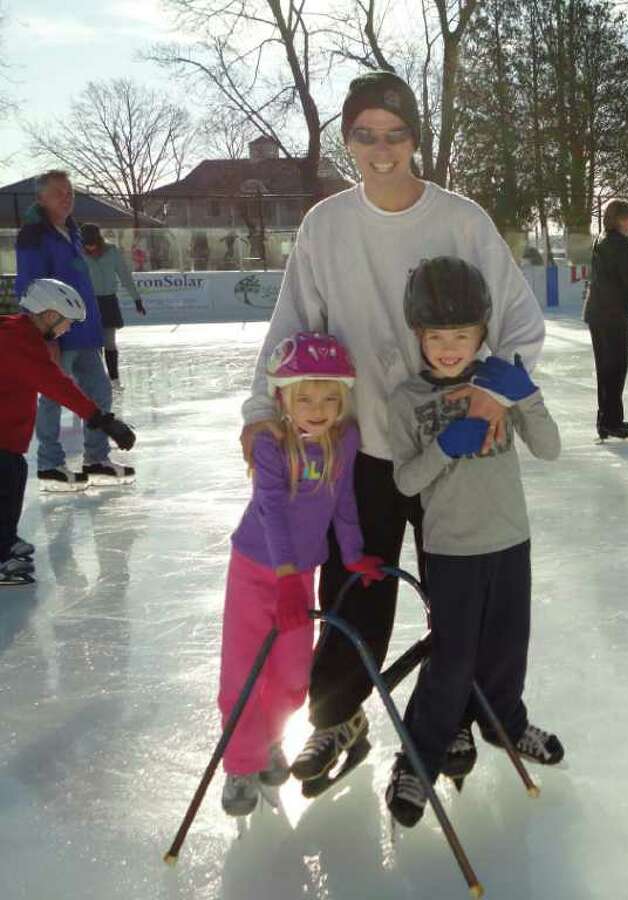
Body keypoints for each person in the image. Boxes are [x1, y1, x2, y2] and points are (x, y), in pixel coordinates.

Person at [238, 71, 545, 793]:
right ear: (348, 141)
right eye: (365, 135)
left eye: (395, 133)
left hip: (454, 456)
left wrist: (493, 398)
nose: (381, 149)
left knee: (460, 599)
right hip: (369, 448)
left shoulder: (462, 220)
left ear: (415, 139)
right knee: (355, 592)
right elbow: (289, 330)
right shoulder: (325, 226)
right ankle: (338, 716)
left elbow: (522, 326)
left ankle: (461, 716)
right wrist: (259, 413)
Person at [385, 257, 563, 827]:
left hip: (511, 539)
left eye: (461, 336)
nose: (448, 348)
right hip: (452, 550)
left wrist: (525, 394)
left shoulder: (496, 384)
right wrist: (445, 447)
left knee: (510, 646)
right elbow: (405, 481)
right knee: (453, 660)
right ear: (419, 336)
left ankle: (504, 723)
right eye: (436, 337)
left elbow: (551, 449)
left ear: (481, 334)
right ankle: (418, 759)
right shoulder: (408, 400)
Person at [220, 332, 384, 816]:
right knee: (245, 670)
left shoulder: (344, 438)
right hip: (256, 568)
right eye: (305, 397)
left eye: (331, 398)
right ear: (282, 398)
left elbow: (344, 503)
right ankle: (240, 763)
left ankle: (271, 740)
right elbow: (270, 507)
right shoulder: (273, 442)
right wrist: (287, 575)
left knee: (293, 675)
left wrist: (353, 554)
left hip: (302, 573)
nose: (318, 408)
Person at [0, 279, 136, 586]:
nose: (68, 330)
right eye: (67, 323)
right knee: (5, 485)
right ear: (49, 315)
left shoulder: (20, 333)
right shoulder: (18, 342)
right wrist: (102, 420)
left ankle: (5, 540)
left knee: (13, 480)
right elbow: (57, 385)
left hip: (8, 439)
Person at [15, 171, 135, 490]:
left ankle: (96, 458)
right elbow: (29, 285)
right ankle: (50, 465)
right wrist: (45, 337)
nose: (66, 197)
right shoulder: (34, 236)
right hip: (58, 334)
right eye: (58, 193)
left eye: (69, 192)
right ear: (41, 199)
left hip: (85, 332)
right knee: (53, 397)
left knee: (99, 392)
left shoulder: (73, 231)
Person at [582, 199, 628, 441]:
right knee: (616, 369)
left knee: (605, 369)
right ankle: (612, 422)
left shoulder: (600, 241)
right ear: (619, 219)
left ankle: (606, 420)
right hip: (612, 316)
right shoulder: (623, 246)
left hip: (596, 313)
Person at [80, 224, 146, 385]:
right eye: (86, 241)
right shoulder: (77, 253)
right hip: (88, 302)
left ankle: (114, 377)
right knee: (93, 343)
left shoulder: (111, 252)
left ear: (98, 237)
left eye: (92, 240)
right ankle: (97, 378)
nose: (90, 245)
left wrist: (136, 299)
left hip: (108, 301)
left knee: (109, 341)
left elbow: (125, 276)